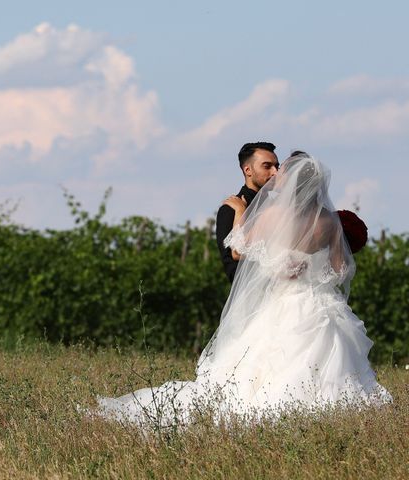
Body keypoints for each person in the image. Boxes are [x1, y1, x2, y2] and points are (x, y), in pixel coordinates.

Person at [95, 152, 391, 427]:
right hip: (317, 302)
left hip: (281, 298)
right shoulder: (329, 221)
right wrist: (313, 269)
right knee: (329, 354)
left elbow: (237, 247)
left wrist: (244, 217)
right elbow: (340, 270)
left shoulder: (271, 215)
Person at [216, 142, 279, 283]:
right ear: (248, 170)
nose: (275, 172)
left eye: (277, 166)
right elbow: (232, 268)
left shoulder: (281, 205)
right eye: (267, 166)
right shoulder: (231, 209)